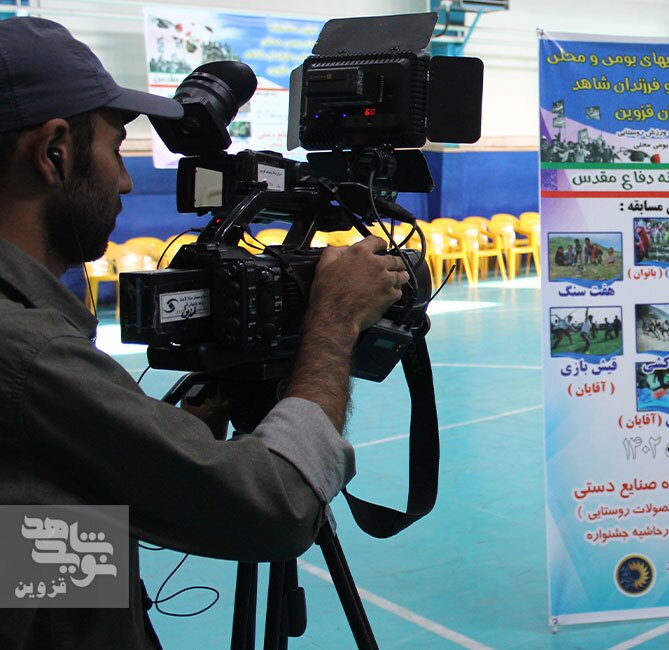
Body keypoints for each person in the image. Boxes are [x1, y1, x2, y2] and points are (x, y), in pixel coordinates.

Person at [0, 18, 411, 649]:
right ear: (54, 151)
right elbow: (280, 504)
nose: (125, 180)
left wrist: (153, 448)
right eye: (116, 150)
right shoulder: (30, 354)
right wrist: (332, 322)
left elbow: (29, 546)